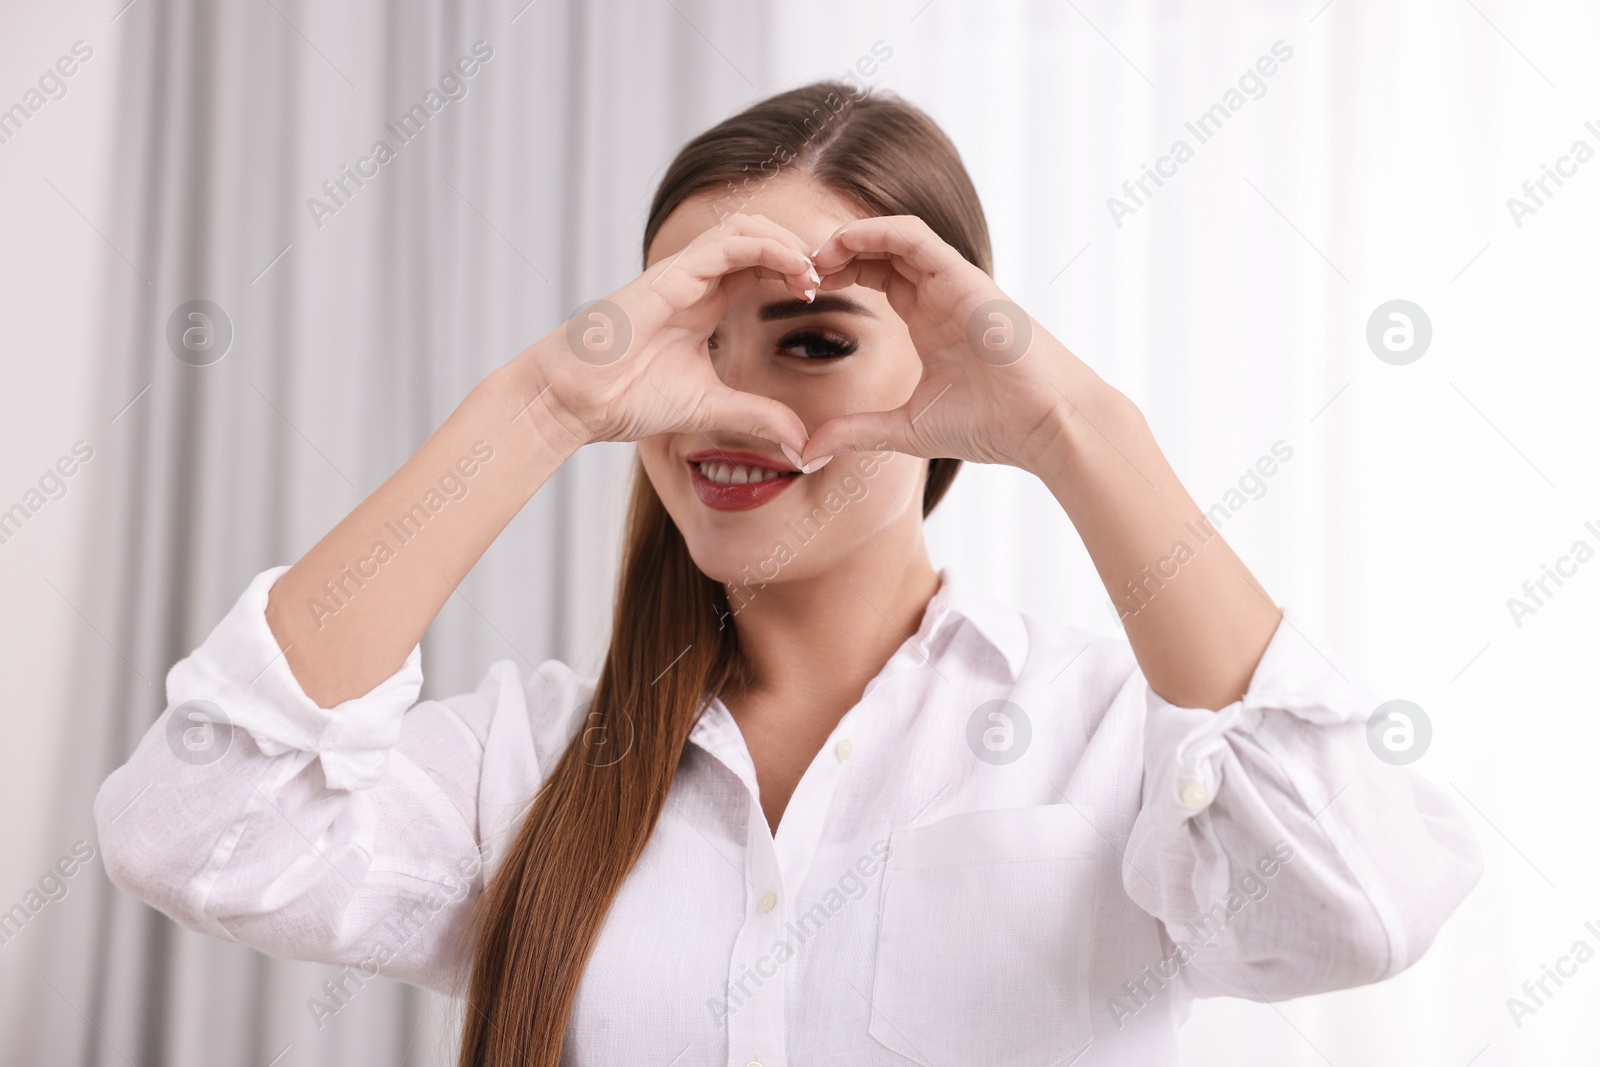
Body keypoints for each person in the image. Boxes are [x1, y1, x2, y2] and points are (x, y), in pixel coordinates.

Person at [96, 81, 1482, 1067]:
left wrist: (1076, 429)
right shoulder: (523, 764)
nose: (734, 413)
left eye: (813, 344)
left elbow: (1354, 906)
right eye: (699, 342)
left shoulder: (1112, 737)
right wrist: (541, 407)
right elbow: (197, 822)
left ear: (948, 366)